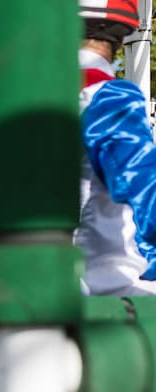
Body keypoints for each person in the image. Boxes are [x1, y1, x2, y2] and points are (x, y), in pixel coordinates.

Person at [77, 0, 156, 296]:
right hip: (106, 292)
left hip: (19, 292)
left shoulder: (12, 101)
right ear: (122, 36)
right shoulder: (111, 98)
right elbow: (146, 193)